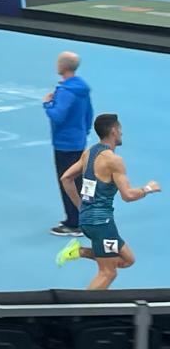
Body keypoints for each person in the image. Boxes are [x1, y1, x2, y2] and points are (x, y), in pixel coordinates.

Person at [56, 114, 159, 289]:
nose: (122, 133)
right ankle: (83, 313)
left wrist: (81, 207)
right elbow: (127, 195)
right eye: (120, 129)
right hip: (101, 225)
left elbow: (66, 178)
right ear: (114, 131)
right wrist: (148, 189)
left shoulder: (89, 153)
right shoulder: (114, 161)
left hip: (89, 220)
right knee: (108, 272)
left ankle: (79, 251)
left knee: (127, 260)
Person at [44, 51, 93, 236]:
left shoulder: (65, 91)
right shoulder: (82, 89)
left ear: (62, 66)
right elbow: (89, 115)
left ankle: (74, 223)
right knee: (79, 181)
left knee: (67, 181)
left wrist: (47, 104)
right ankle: (84, 218)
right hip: (79, 141)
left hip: (64, 144)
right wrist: (83, 132)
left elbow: (57, 115)